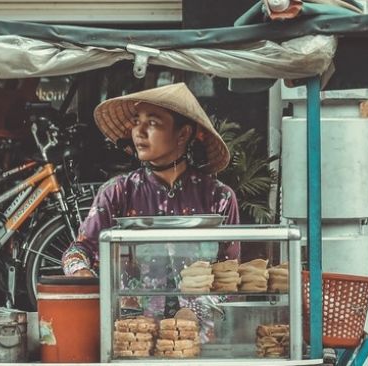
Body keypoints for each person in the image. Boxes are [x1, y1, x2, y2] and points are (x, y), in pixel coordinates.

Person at [61, 82, 240, 340]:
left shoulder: (219, 197)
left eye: (153, 123)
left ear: (182, 134)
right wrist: (83, 274)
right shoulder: (117, 192)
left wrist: (198, 310)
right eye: (136, 121)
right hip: (131, 336)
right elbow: (79, 250)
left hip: (198, 340)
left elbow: (231, 275)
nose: (139, 131)